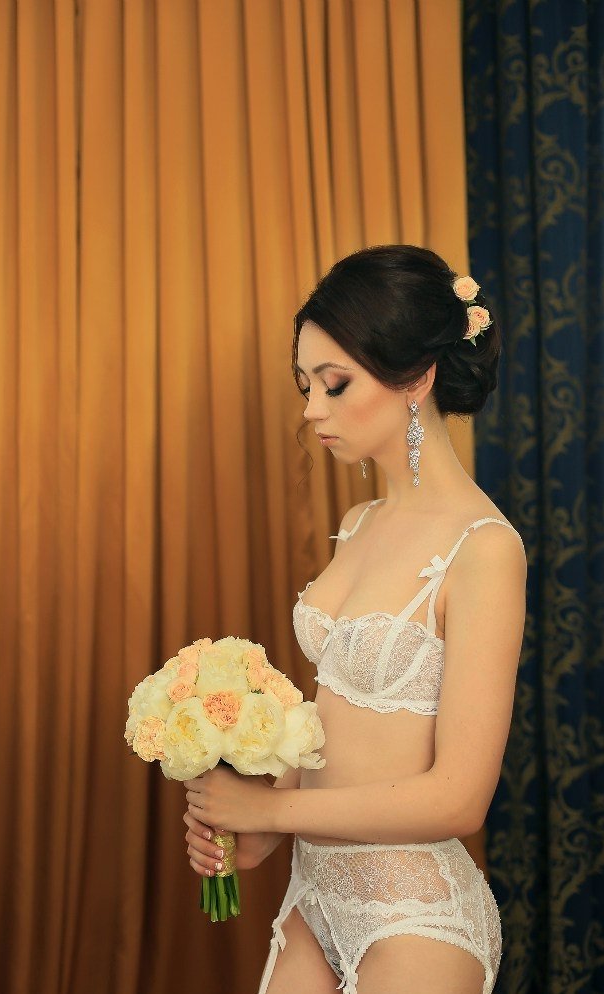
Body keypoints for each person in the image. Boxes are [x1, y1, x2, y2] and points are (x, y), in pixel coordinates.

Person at [183, 245, 527, 994]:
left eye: (335, 384)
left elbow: (459, 797)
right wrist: (260, 821)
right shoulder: (359, 522)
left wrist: (270, 811)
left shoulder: (485, 549)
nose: (313, 409)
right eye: (306, 385)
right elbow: (337, 722)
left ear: (418, 378)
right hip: (314, 897)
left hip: (416, 913)